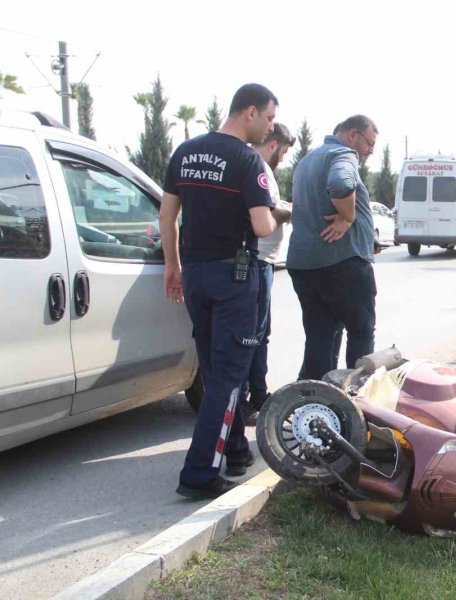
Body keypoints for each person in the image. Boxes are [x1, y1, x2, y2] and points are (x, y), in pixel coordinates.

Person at [160, 83, 278, 500]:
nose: (270, 127)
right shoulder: (249, 161)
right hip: (234, 277)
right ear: (250, 112)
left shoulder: (186, 152)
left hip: (194, 272)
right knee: (229, 377)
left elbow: (168, 213)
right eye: (268, 118)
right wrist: (285, 212)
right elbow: (263, 226)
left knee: (213, 367)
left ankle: (236, 450)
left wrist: (173, 266)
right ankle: (198, 474)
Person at [286, 115, 378, 380]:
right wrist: (348, 219)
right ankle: (354, 401)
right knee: (361, 331)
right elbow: (340, 182)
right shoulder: (343, 154)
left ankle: (315, 403)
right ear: (352, 134)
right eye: (369, 143)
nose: (369, 151)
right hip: (342, 263)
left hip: (304, 265)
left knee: (320, 336)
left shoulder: (307, 160)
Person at [242, 123, 296, 417]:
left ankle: (256, 394)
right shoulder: (259, 167)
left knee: (260, 333)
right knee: (256, 334)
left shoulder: (257, 167)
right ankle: (254, 398)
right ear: (273, 145)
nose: (284, 158)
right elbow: (268, 215)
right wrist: (292, 210)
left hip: (261, 261)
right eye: (284, 151)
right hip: (258, 260)